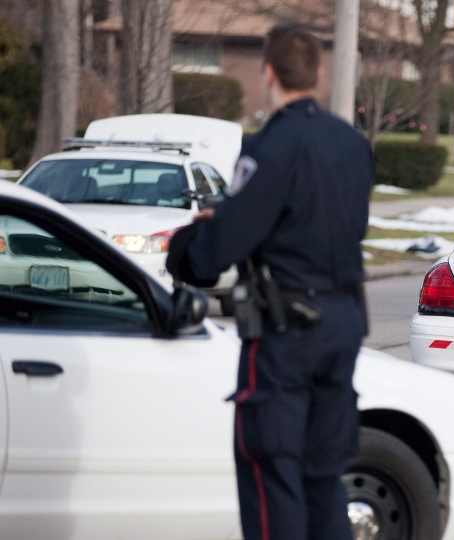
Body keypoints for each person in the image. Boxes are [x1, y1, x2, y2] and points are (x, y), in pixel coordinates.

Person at [165, 25, 373, 539]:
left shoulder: (273, 146)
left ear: (267, 74)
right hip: (343, 323)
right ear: (319, 75)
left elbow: (215, 254)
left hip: (287, 334)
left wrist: (185, 247)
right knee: (324, 476)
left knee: (271, 470)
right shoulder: (351, 144)